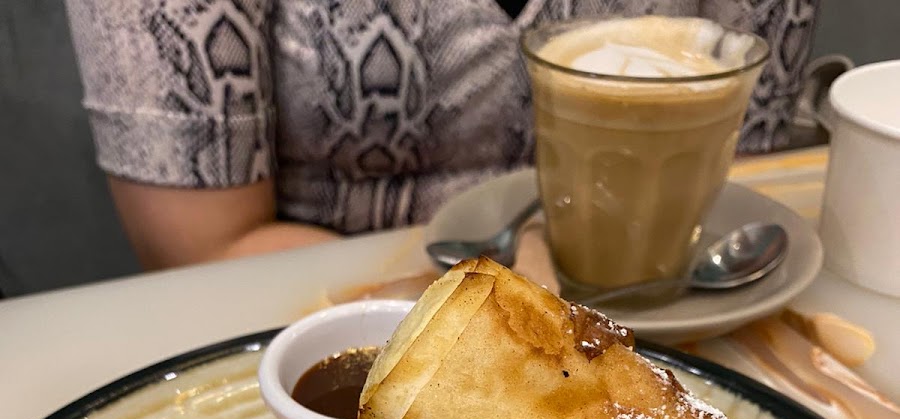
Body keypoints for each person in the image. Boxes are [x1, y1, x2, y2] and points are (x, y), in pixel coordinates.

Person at [63, 0, 820, 271]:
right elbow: (199, 245)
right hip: (326, 314)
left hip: (672, 312)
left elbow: (747, 162)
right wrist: (511, 314)